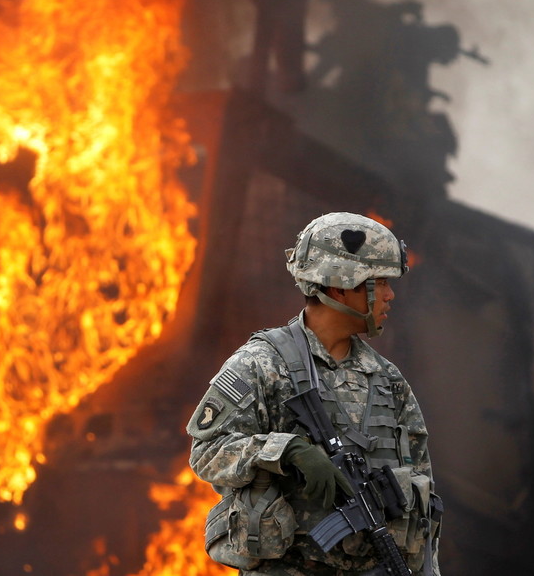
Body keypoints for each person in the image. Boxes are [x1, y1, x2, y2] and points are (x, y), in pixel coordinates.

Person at [187, 212, 441, 575]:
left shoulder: (388, 380)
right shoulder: (263, 363)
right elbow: (206, 453)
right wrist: (285, 451)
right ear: (340, 287)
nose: (390, 296)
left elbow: (423, 496)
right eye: (380, 283)